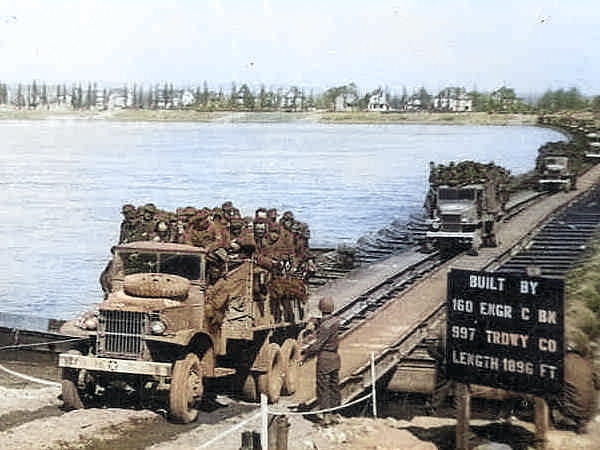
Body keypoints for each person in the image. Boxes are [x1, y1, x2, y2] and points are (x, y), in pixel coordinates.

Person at [301, 296, 342, 426]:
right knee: (334, 387)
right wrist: (316, 321)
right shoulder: (336, 321)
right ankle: (335, 413)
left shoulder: (325, 327)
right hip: (335, 358)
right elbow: (327, 322)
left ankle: (326, 417)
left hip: (324, 360)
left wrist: (305, 355)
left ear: (320, 308)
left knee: (323, 388)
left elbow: (317, 345)